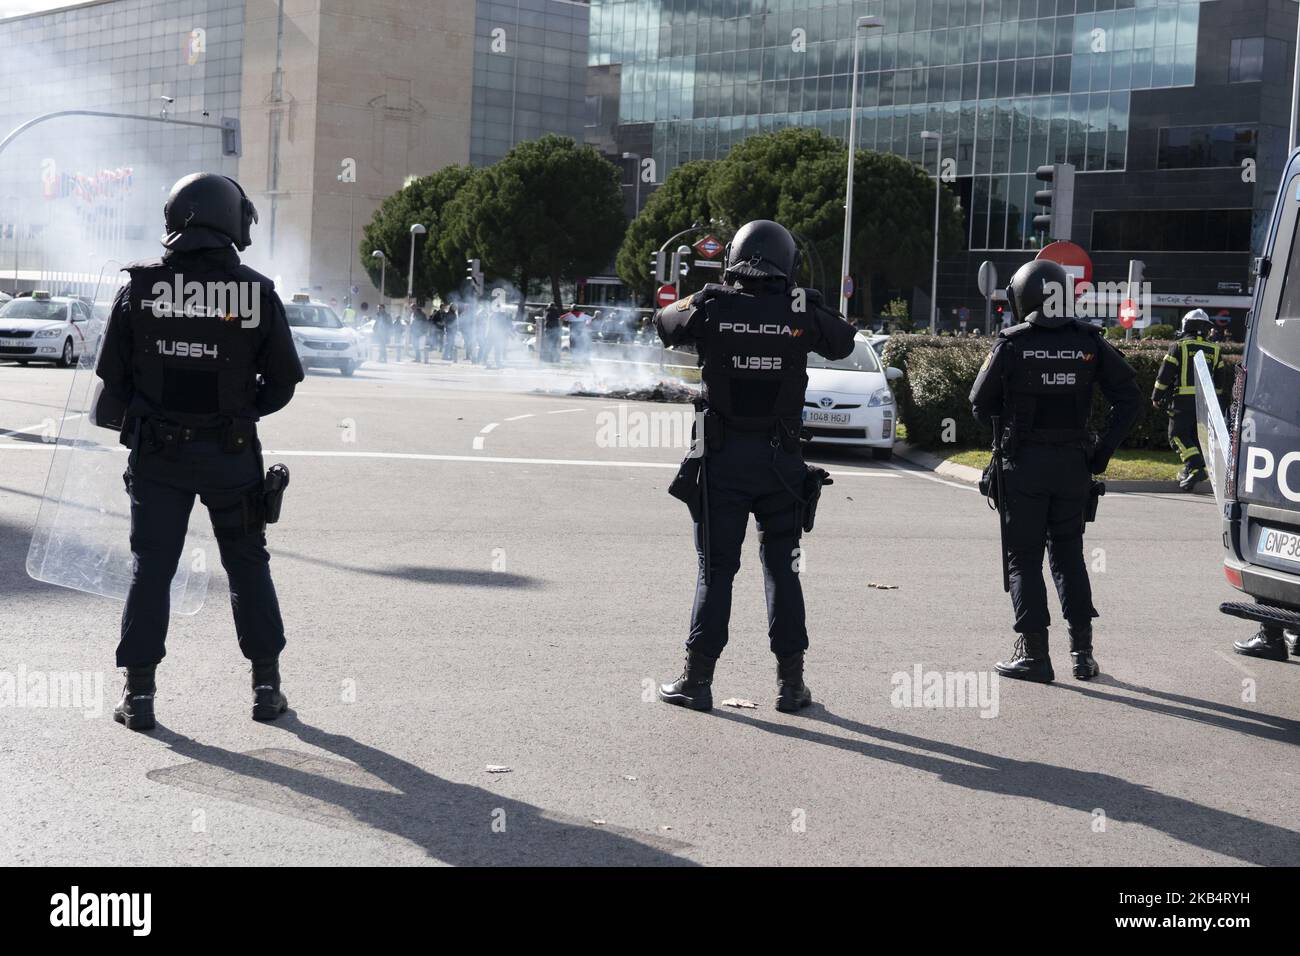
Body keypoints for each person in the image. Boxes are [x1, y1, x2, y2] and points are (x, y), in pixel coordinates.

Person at [94, 172, 304, 730]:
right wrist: (238, 411)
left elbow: (111, 384)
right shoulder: (255, 292)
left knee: (151, 569)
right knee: (246, 565)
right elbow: (283, 382)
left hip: (158, 456)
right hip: (230, 456)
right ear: (229, 219)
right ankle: (266, 689)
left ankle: (139, 697)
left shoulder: (138, 288)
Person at [653, 219, 856, 713]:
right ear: (787, 263)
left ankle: (697, 681)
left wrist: (702, 294)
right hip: (781, 465)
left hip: (722, 463)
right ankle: (791, 686)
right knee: (783, 569)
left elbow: (664, 325)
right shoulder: (799, 311)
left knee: (716, 570)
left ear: (735, 259)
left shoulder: (713, 305)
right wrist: (805, 299)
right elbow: (845, 341)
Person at [969, 259, 1140, 683]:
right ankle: (1082, 655)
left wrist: (1008, 419)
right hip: (1073, 468)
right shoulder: (1088, 341)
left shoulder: (1012, 344)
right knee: (1068, 556)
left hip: (1023, 467)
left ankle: (1035, 656)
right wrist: (1101, 453)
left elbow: (978, 403)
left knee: (1024, 560)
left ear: (1021, 297)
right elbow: (1130, 399)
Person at [1151, 308, 1227, 492]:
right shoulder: (1214, 350)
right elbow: (1221, 382)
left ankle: (1195, 467)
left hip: (1182, 402)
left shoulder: (1179, 346)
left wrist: (1157, 396)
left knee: (1177, 435)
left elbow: (1165, 374)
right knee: (1194, 437)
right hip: (1206, 404)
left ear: (1187, 325)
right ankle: (1189, 471)